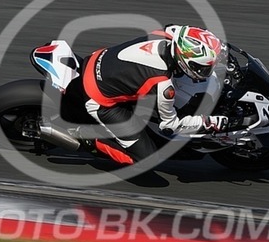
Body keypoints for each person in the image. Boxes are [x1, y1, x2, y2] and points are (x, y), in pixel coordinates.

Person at [81, 24, 229, 165]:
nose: (205, 72)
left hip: (99, 58)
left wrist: (219, 48)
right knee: (146, 160)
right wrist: (209, 122)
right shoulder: (164, 85)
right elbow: (170, 126)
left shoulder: (171, 33)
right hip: (99, 99)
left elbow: (191, 32)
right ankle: (89, 138)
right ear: (185, 62)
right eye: (203, 68)